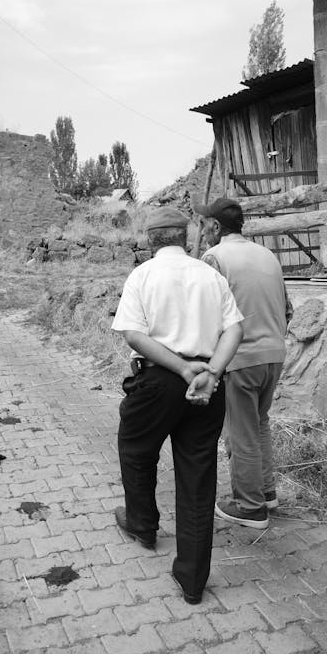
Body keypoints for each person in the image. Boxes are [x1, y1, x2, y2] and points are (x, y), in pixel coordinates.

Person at [111, 206, 243, 604]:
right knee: (198, 476)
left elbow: (134, 334)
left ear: (151, 241)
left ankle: (143, 525)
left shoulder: (143, 275)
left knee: (136, 449)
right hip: (207, 383)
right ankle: (192, 577)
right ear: (185, 238)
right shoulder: (211, 275)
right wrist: (212, 373)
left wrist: (183, 369)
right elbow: (235, 328)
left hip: (159, 380)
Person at [193, 197, 292, 530]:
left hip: (241, 358)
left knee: (241, 433)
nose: (201, 230)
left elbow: (205, 315)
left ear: (216, 226)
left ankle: (250, 507)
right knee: (259, 424)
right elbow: (287, 309)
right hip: (274, 354)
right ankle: (266, 492)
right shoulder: (268, 255)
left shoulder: (214, 258)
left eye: (203, 224)